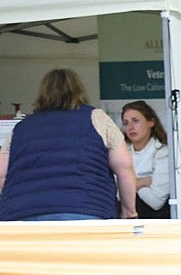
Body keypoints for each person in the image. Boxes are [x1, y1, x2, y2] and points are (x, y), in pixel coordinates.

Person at [0, 68, 137, 221]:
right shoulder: (97, 118)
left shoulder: (21, 128)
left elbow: (1, 174)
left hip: (21, 215)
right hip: (85, 210)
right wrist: (129, 212)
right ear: (78, 90)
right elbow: (125, 167)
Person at [121, 100, 171, 219]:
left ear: (151, 122)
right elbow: (116, 194)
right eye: (126, 123)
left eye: (135, 121)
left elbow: (156, 201)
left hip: (155, 222)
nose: (130, 127)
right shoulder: (120, 152)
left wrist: (128, 184)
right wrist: (144, 181)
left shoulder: (163, 152)